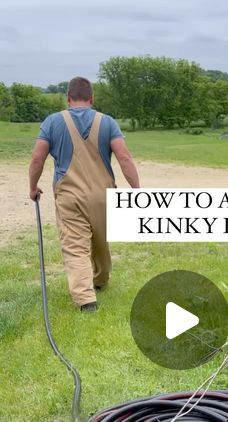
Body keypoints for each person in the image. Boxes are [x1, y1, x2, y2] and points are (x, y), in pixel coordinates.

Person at [29, 76, 140, 312]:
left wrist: (33, 186)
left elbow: (38, 157)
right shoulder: (108, 122)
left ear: (68, 98)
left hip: (70, 196)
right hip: (104, 196)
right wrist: (136, 190)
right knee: (101, 240)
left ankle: (86, 299)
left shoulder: (52, 122)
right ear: (92, 98)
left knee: (75, 245)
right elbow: (124, 158)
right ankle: (100, 280)